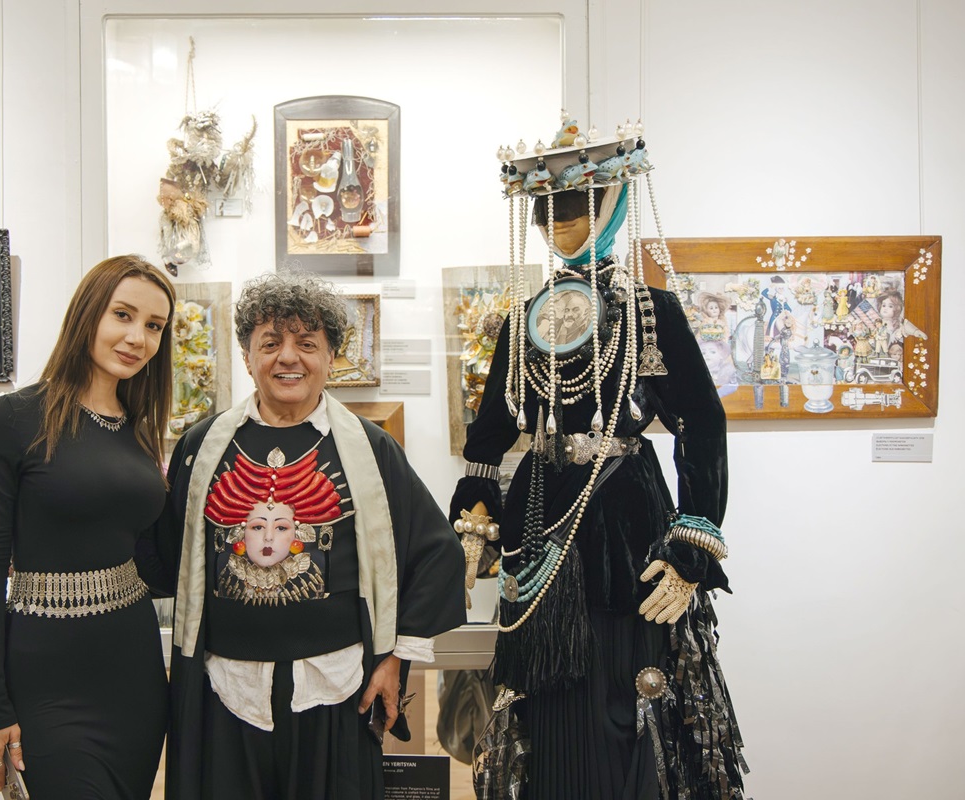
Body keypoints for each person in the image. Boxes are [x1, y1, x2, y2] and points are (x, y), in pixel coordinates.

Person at [453, 171, 746, 799]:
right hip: (540, 518)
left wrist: (694, 538)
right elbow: (491, 432)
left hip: (626, 520)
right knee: (542, 702)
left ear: (612, 206)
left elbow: (700, 421)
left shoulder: (649, 313)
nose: (558, 219)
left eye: (576, 203)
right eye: (546, 207)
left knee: (631, 688)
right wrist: (475, 506)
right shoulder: (524, 319)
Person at [161, 271, 466, 799]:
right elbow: (166, 554)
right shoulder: (200, 447)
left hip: (336, 691)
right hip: (224, 691)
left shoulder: (371, 448)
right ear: (247, 355)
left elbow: (437, 553)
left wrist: (395, 658)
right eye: (270, 343)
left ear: (331, 357)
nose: (289, 358)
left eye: (307, 343)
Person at [0, 255, 176, 798]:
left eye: (154, 326)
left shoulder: (139, 431)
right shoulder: (10, 421)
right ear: (87, 313)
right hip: (47, 678)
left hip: (134, 672)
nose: (138, 338)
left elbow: (151, 557)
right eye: (123, 315)